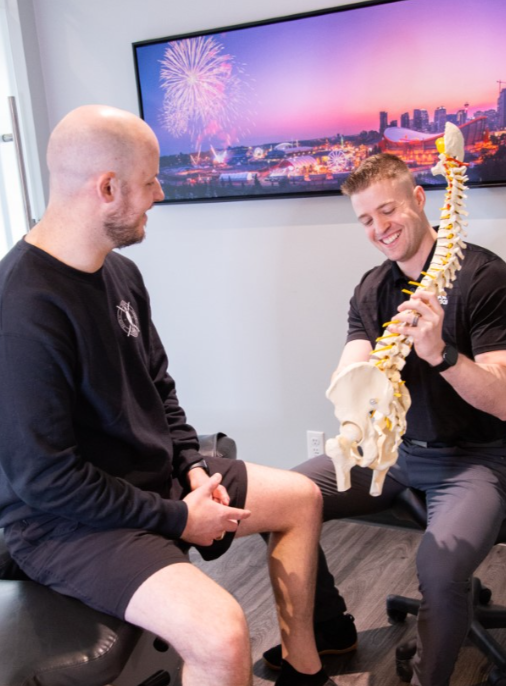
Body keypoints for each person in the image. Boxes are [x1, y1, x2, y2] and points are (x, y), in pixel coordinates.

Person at [0, 105, 340, 686]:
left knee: (302, 498)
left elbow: (160, 388)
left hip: (152, 483)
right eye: (149, 180)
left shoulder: (121, 274)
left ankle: (302, 669)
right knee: (222, 633)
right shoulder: (22, 307)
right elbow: (45, 480)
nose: (160, 192)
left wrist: (190, 465)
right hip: (64, 523)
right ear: (107, 187)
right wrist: (180, 518)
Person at [263, 153, 506, 686]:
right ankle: (333, 629)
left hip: (474, 461)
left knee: (441, 571)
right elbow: (353, 365)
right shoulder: (371, 288)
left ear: (419, 199)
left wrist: (441, 355)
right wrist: (353, 397)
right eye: (366, 219)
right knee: (280, 498)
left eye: (388, 211)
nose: (379, 229)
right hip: (396, 455)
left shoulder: (486, 278)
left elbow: (505, 402)